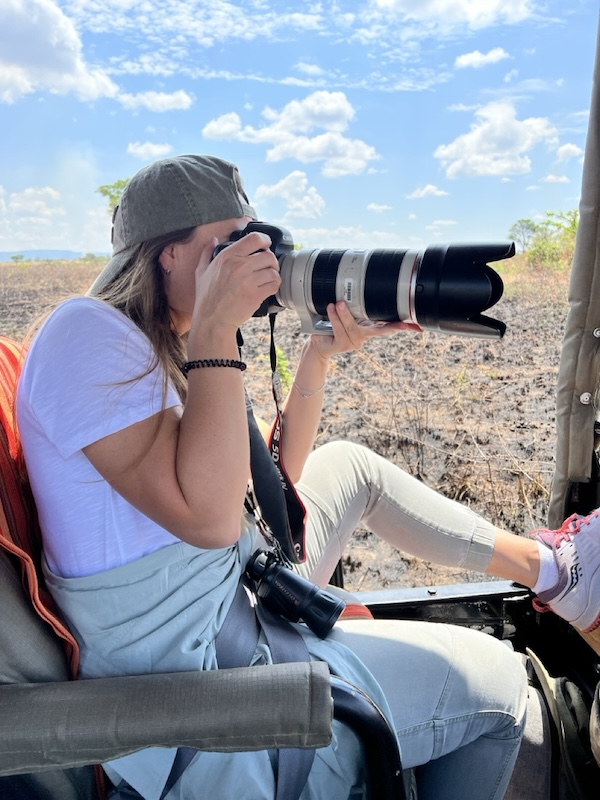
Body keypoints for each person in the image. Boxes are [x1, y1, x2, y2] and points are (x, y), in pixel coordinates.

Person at [14, 153, 590, 800]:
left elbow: (267, 490)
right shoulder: (86, 330)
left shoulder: (161, 344)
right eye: (227, 247)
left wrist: (318, 355)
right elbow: (209, 519)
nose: (252, 264)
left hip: (229, 593)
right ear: (165, 255)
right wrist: (216, 328)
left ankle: (550, 567)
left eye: (255, 242)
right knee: (505, 690)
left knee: (349, 465)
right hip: (203, 686)